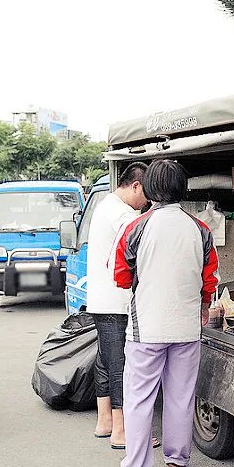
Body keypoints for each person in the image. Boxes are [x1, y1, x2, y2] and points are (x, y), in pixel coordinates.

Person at [113, 159, 219, 467]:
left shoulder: (136, 227)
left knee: (139, 401)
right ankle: (176, 463)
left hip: (146, 329)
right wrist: (202, 304)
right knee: (180, 396)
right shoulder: (201, 230)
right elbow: (210, 280)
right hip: (188, 327)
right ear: (182, 188)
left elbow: (120, 276)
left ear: (150, 187)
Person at [87, 161, 155, 450]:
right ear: (136, 185)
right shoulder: (124, 215)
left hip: (101, 300)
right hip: (117, 301)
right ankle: (122, 431)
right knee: (121, 366)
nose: (147, 202)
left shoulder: (105, 205)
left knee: (105, 360)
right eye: (146, 195)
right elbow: (139, 254)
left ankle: (105, 422)